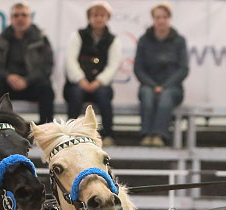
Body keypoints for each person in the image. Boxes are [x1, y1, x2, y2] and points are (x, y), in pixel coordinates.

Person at [0, 1, 55, 124]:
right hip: (7, 86)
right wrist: (8, 76)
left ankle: (46, 131)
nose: (20, 19)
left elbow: (46, 68)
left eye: (24, 15)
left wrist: (27, 80)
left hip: (32, 85)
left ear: (30, 17)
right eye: (16, 15)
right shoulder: (1, 39)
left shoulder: (41, 39)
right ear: (11, 18)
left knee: (47, 89)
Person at [65, 1, 122, 145]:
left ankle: (108, 134)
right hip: (77, 84)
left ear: (107, 17)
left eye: (102, 15)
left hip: (100, 85)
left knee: (103, 94)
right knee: (76, 93)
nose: (99, 18)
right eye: (95, 15)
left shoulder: (113, 40)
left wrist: (98, 82)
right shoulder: (78, 36)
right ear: (89, 18)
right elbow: (70, 61)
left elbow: (113, 65)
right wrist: (81, 79)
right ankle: (70, 133)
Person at [133, 2, 188, 146]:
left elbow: (183, 69)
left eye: (164, 17)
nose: (161, 20)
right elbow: (138, 69)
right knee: (147, 95)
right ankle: (146, 135)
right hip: (148, 85)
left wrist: (165, 86)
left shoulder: (179, 41)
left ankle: (159, 135)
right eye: (158, 17)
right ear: (153, 19)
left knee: (166, 97)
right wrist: (153, 85)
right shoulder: (144, 40)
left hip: (172, 87)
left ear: (169, 19)